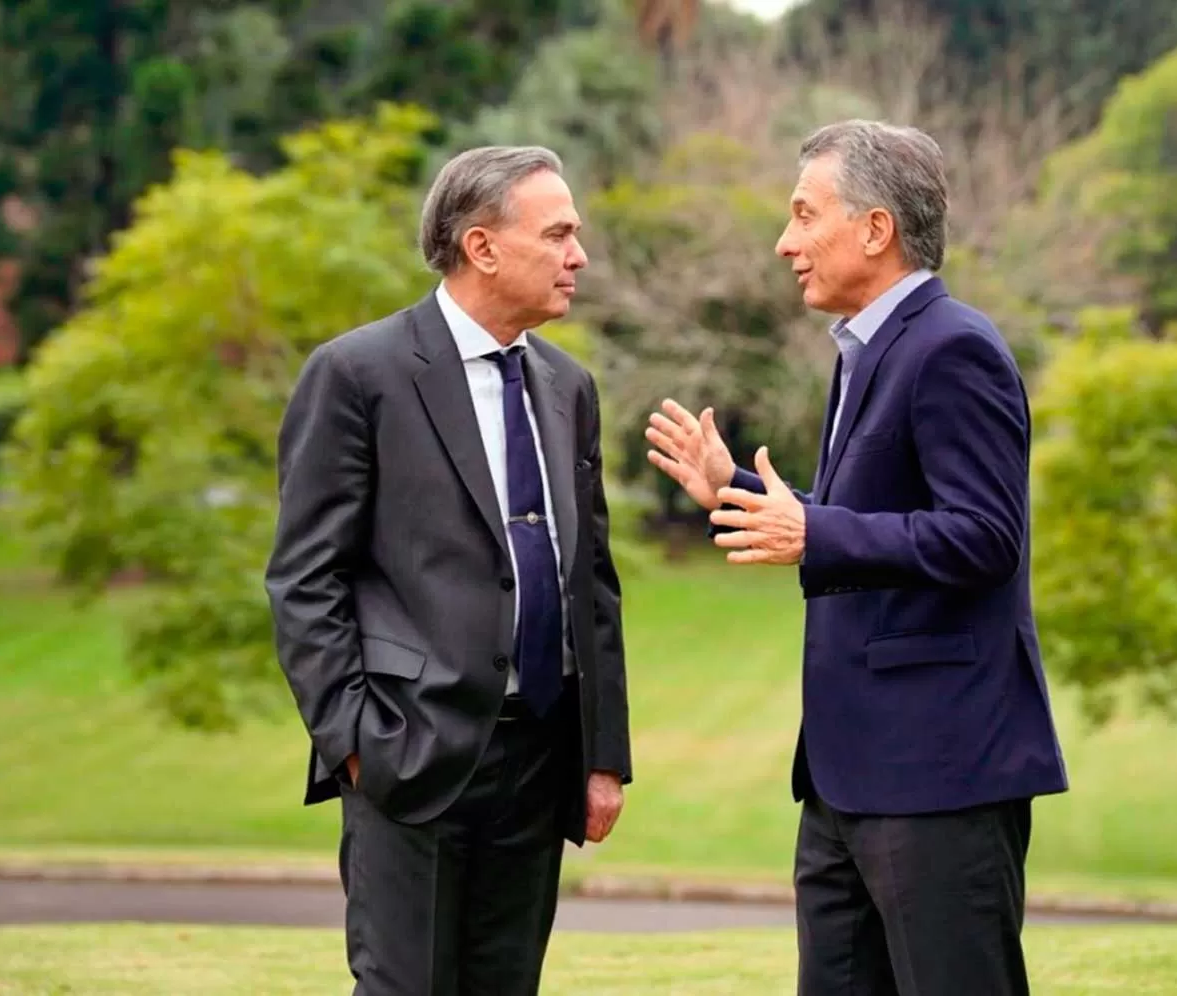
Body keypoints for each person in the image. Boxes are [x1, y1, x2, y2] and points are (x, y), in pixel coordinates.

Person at [645, 120, 1068, 995]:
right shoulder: (863, 354)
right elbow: (866, 520)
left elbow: (986, 536)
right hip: (845, 781)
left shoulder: (954, 348)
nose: (784, 242)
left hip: (939, 773)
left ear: (875, 229)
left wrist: (815, 532)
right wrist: (740, 494)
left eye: (805, 215)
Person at [265, 145, 631, 996]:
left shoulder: (568, 385)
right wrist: (355, 743)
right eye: (560, 234)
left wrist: (602, 753)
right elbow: (305, 579)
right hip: (408, 754)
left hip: (541, 763)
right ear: (482, 247)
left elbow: (592, 583)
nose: (578, 256)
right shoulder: (357, 374)